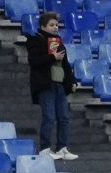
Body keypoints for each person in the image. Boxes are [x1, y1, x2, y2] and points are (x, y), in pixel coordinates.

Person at [25, 11, 78, 161]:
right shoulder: (35, 40)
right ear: (43, 26)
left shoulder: (58, 40)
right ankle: (44, 148)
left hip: (59, 84)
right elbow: (34, 62)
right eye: (52, 25)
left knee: (64, 117)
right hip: (45, 84)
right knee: (49, 116)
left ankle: (62, 148)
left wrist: (72, 81)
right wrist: (51, 57)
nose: (55, 27)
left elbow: (65, 64)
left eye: (57, 25)